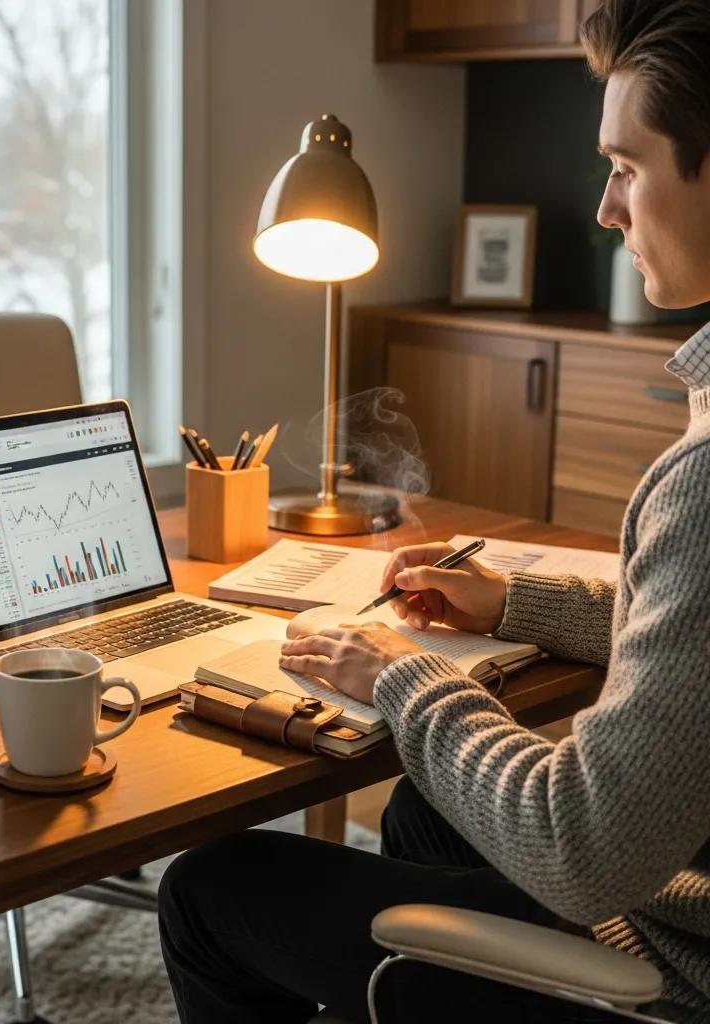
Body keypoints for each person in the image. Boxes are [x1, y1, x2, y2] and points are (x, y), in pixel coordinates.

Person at [158, 1, 710, 1021]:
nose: (605, 208)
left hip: (672, 968)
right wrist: (515, 603)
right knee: (425, 810)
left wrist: (398, 676)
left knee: (207, 890)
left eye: (626, 166)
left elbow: (581, 851)